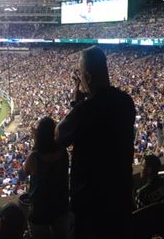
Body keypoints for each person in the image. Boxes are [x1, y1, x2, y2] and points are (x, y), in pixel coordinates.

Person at [57, 46, 136, 239]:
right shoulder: (126, 101)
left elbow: (59, 136)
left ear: (89, 78)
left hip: (90, 205)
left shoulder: (85, 110)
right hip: (120, 196)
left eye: (82, 74)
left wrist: (76, 103)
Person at [23, 116, 68, 238]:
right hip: (60, 205)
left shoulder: (35, 156)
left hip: (40, 208)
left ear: (39, 135)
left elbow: (24, 172)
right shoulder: (63, 152)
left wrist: (35, 142)